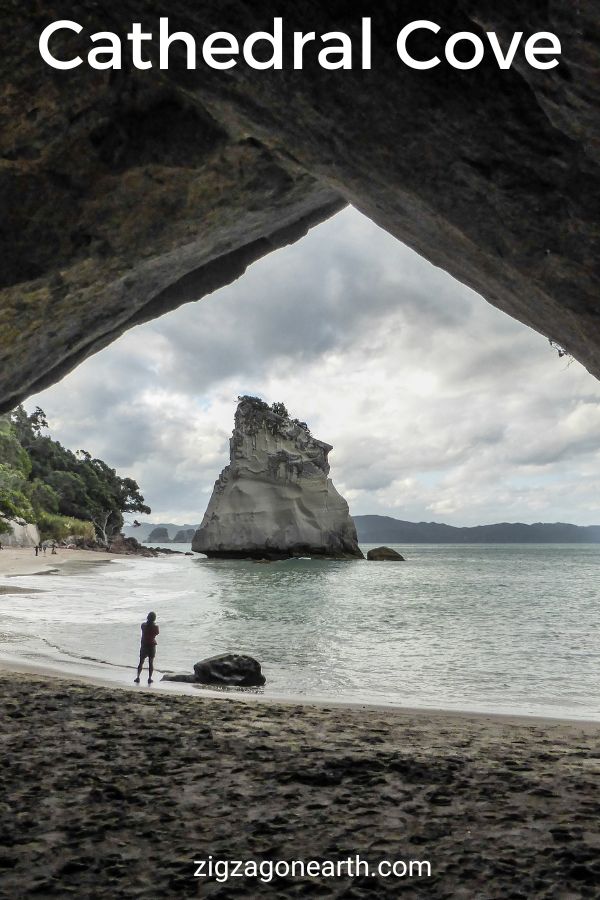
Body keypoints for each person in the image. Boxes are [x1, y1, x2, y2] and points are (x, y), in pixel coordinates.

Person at [135, 612, 159, 684]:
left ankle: (138, 677)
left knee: (141, 662)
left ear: (147, 617)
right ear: (154, 619)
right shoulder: (155, 627)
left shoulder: (143, 625)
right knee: (151, 663)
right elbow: (156, 633)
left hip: (144, 645)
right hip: (151, 645)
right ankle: (149, 678)